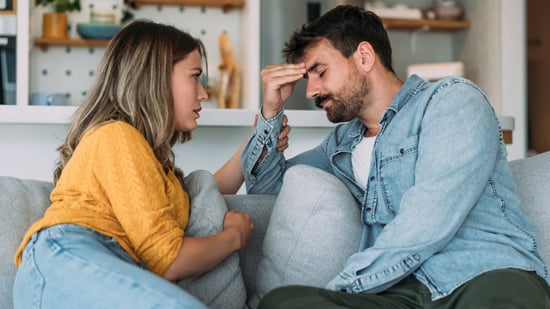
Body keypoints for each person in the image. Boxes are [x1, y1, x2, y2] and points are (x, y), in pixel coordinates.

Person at [240, 5, 550, 308]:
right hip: (403, 291)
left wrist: (345, 289)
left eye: (320, 72)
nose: (310, 91)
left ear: (364, 57)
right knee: (282, 302)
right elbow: (270, 192)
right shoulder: (341, 144)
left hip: (482, 274)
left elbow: (427, 219)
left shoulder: (451, 100)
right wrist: (270, 113)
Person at [12, 19, 289, 308]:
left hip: (97, 263)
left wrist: (261, 137)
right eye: (195, 76)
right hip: (69, 256)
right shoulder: (115, 135)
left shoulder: (152, 165)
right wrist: (234, 237)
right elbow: (169, 260)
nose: (204, 93)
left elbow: (205, 191)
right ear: (155, 77)